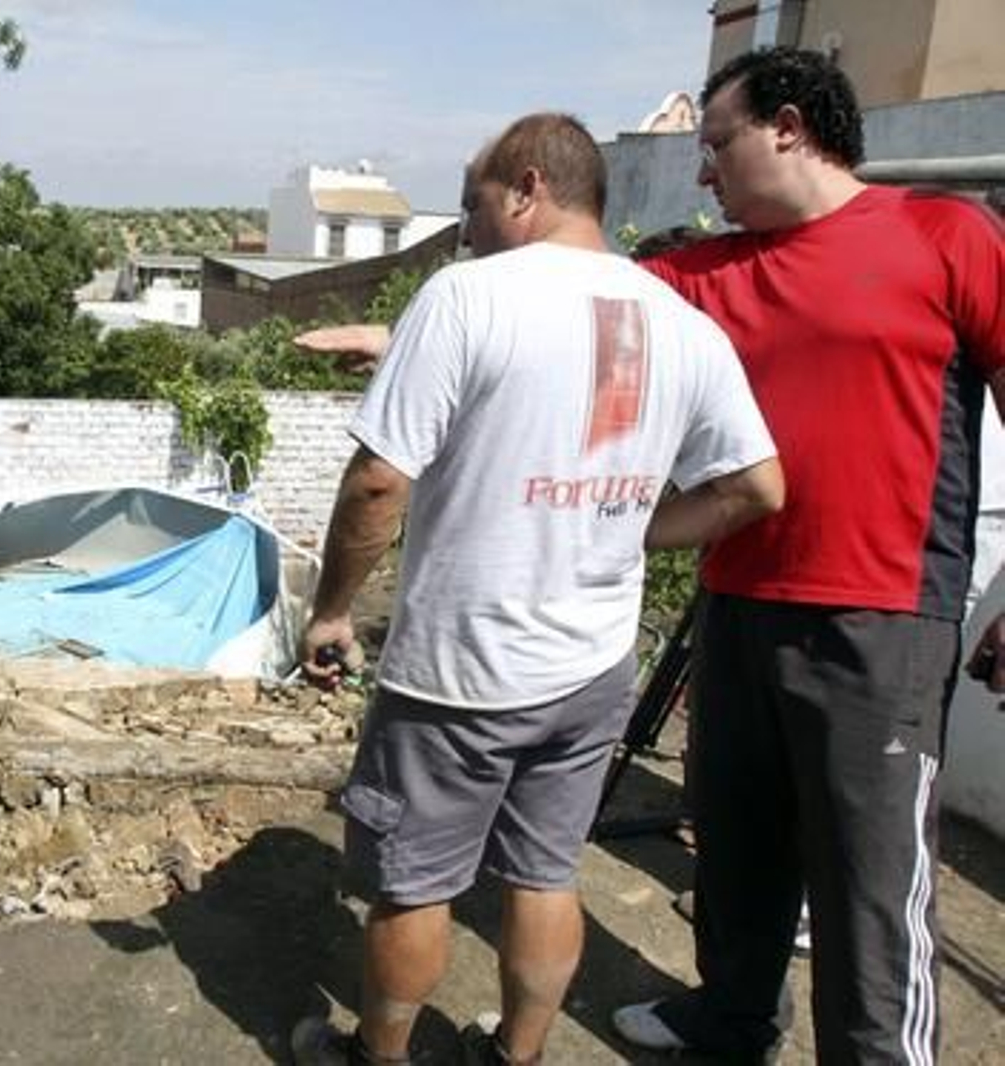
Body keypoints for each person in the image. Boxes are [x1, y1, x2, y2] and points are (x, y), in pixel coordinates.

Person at [303, 48, 1005, 1064]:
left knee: (867, 877)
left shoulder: (943, 235)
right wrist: (394, 333)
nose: (703, 173)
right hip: (734, 598)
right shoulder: (694, 279)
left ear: (792, 126)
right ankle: (730, 1022)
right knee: (735, 844)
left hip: (882, 611)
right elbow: (553, 308)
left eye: (716, 143)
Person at [290, 112, 784, 1066]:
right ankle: (515, 1056)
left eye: (476, 204)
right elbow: (757, 488)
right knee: (546, 875)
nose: (468, 229)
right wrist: (634, 526)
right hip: (595, 666)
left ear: (526, 187)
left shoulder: (466, 295)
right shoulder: (681, 325)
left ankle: (377, 1057)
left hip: (459, 672)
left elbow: (379, 482)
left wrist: (334, 609)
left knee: (414, 884)